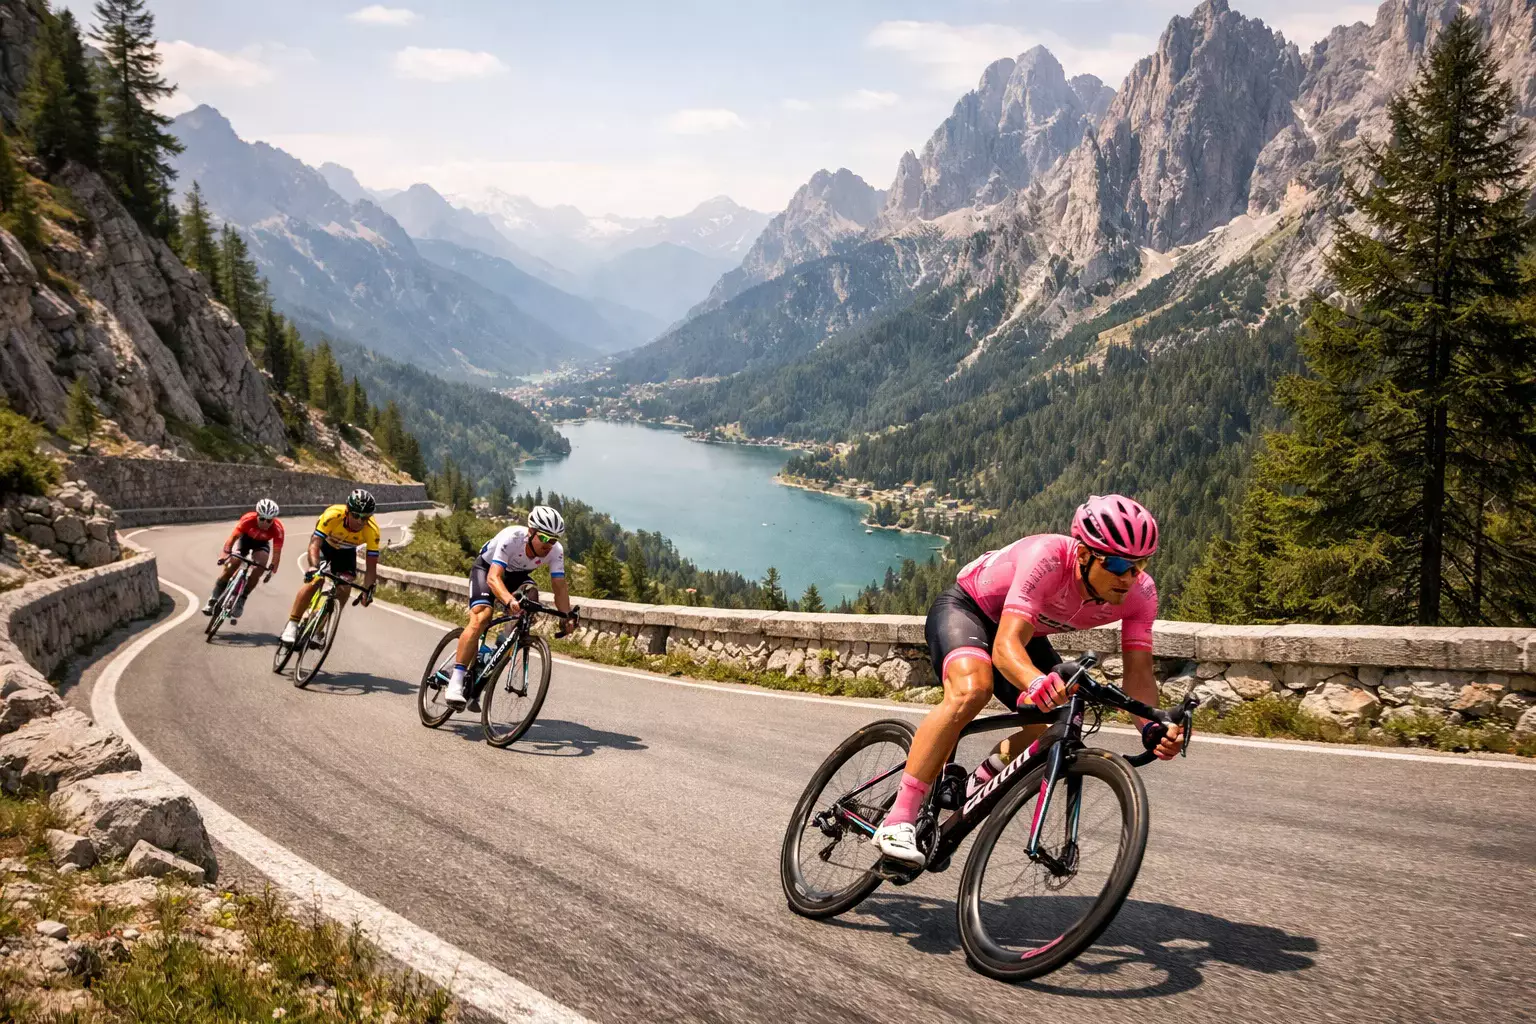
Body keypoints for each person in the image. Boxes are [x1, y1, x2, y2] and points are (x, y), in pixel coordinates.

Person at [871, 494, 1187, 866]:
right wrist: (1036, 682)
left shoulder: (1141, 594)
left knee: (1058, 722)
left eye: (1139, 565)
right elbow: (1005, 646)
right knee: (972, 691)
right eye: (1117, 564)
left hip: (1027, 632)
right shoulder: (1048, 558)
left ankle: (976, 785)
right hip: (969, 609)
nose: (1128, 578)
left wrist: (1150, 725)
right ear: (1084, 555)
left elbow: (1138, 672)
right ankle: (899, 819)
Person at [444, 504, 577, 709]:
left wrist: (566, 615)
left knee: (530, 601)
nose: (548, 545)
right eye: (544, 538)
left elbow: (559, 586)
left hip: (517, 577)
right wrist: (508, 600)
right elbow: (493, 577)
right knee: (482, 616)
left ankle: (494, 657)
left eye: (553, 540)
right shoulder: (512, 537)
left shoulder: (555, 551)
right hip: (487, 570)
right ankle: (456, 680)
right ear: (531, 531)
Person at [279, 489, 379, 646]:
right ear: (347, 511)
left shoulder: (372, 530)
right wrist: (313, 568)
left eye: (365, 517)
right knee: (316, 579)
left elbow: (371, 566)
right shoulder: (333, 515)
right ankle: (292, 624)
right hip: (325, 545)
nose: (360, 521)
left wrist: (368, 591)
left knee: (345, 587)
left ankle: (319, 627)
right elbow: (315, 544)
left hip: (346, 552)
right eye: (356, 515)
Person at [203, 498, 283, 622]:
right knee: (233, 562)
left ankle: (242, 598)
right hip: (244, 540)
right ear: (257, 515)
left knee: (260, 567)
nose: (265, 523)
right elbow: (232, 538)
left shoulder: (278, 528)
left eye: (269, 520)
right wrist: (225, 555)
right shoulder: (248, 519)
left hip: (261, 545)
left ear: (273, 520)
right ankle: (214, 597)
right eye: (262, 519)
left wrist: (271, 572)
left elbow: (277, 553)